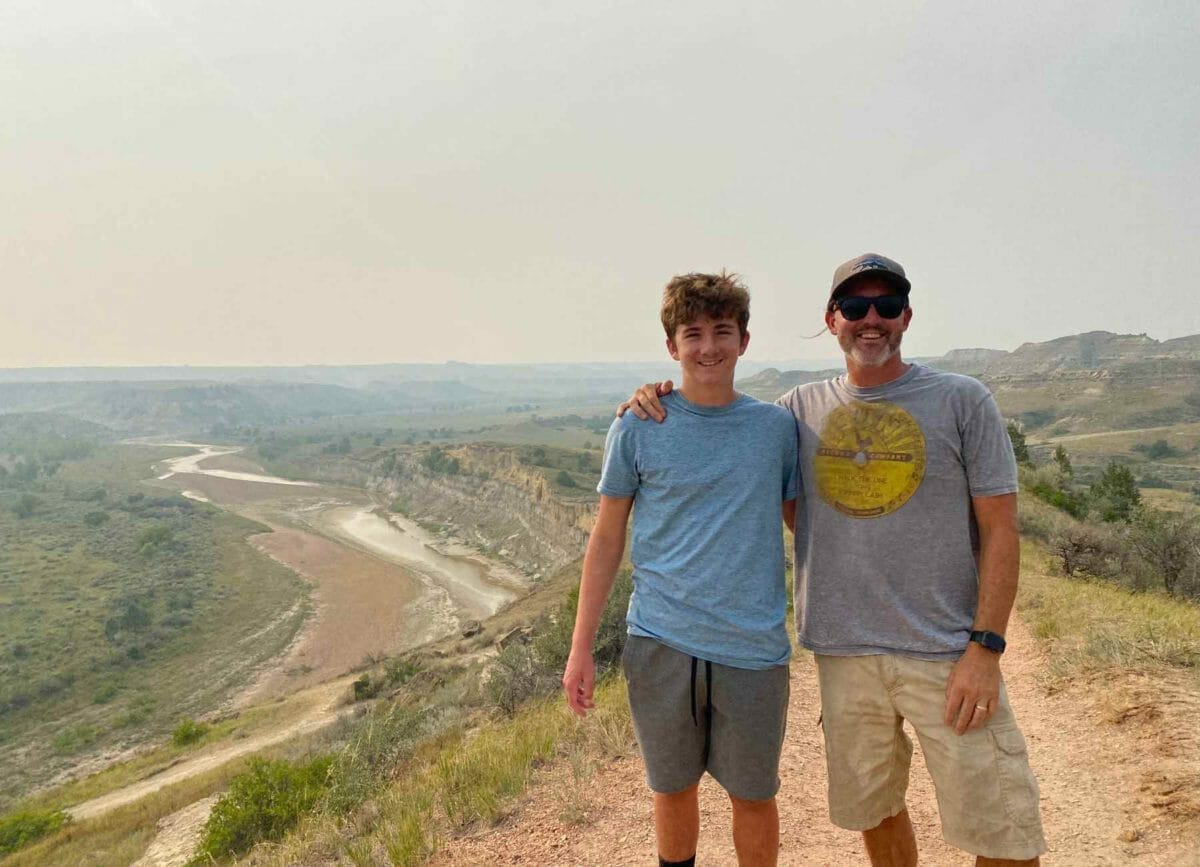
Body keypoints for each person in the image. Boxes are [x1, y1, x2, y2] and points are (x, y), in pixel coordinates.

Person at [621, 254, 1046, 867]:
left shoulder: (962, 400)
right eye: (854, 307)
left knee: (1000, 829)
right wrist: (651, 395)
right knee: (876, 810)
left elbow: (1002, 530)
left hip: (948, 651)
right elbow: (731, 432)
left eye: (885, 306)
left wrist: (986, 646)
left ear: (906, 316)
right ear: (832, 320)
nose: (870, 319)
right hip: (844, 653)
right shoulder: (797, 410)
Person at [563, 271, 799, 867]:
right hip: (661, 639)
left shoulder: (776, 430)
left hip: (753, 646)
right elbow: (607, 537)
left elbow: (809, 527)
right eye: (693, 334)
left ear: (745, 341)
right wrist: (581, 647)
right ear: (672, 346)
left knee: (753, 796)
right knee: (671, 789)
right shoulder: (639, 424)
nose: (708, 347)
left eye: (723, 331)